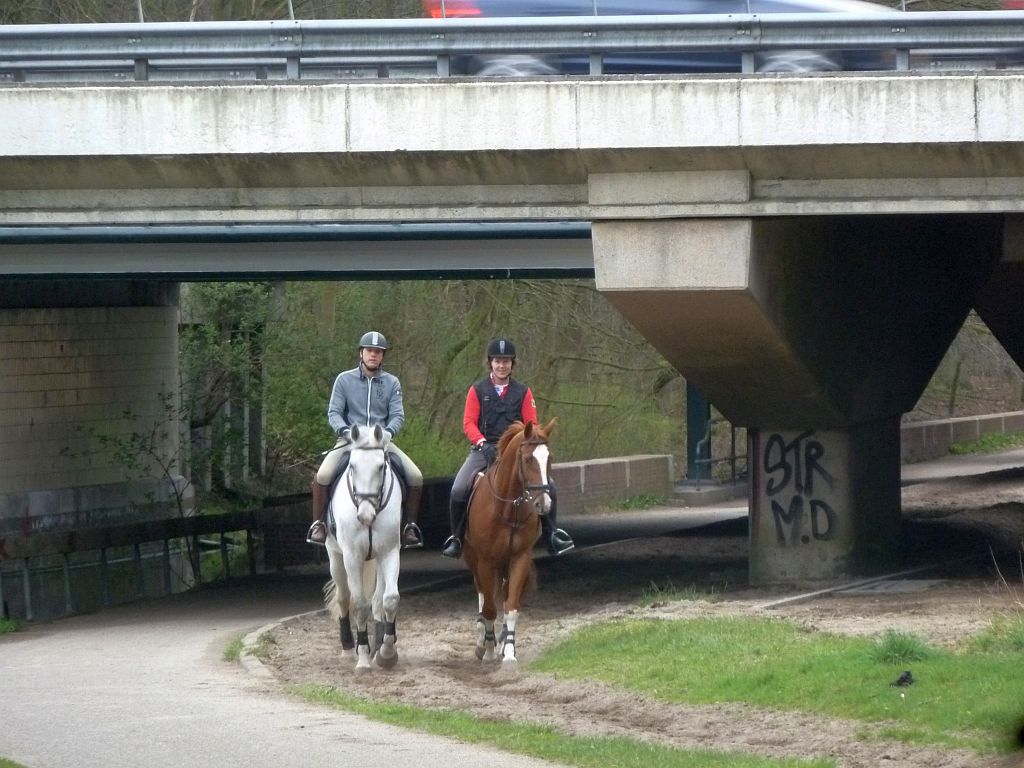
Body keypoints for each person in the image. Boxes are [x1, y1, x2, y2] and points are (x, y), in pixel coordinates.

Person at [441, 337, 574, 559]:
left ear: (512, 364)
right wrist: (482, 443)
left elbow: (531, 423)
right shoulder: (477, 390)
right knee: (458, 489)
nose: (502, 365)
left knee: (549, 485)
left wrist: (526, 444)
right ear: (490, 363)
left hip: (517, 450)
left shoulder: (523, 392)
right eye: (497, 361)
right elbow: (468, 423)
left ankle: (552, 534)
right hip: (484, 448)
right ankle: (457, 537)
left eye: (506, 361)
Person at [307, 330, 424, 549]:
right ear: (361, 353)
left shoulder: (392, 383)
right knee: (322, 475)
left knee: (416, 476)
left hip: (381, 442)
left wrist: (388, 433)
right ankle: (319, 524)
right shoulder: (344, 380)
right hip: (350, 441)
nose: (374, 355)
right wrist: (344, 431)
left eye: (378, 352)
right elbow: (334, 412)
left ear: (382, 356)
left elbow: (398, 415)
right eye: (370, 351)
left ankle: (409, 525)